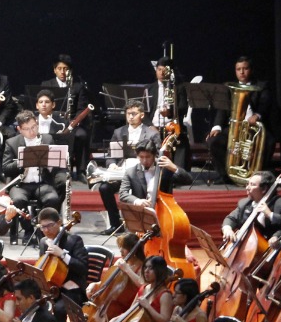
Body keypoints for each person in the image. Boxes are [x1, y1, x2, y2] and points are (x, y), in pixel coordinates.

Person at [92, 100, 161, 235]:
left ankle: (141, 225)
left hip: (142, 172)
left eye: (134, 114)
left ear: (142, 115)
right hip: (122, 171)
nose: (130, 117)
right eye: (128, 114)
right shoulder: (119, 132)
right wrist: (112, 164)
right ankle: (115, 223)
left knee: (137, 189)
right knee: (104, 188)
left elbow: (157, 156)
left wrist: (143, 160)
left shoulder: (152, 134)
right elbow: (111, 155)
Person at [207, 56, 275, 181]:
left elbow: (266, 103)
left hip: (255, 128)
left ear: (251, 70)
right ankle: (227, 175)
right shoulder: (229, 88)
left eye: (245, 68)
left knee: (269, 141)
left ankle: (259, 176)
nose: (242, 72)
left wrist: (257, 115)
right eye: (238, 69)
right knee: (213, 141)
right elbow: (222, 109)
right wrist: (216, 126)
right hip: (235, 127)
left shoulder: (262, 86)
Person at [2, 111, 64, 224]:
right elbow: (6, 168)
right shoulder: (12, 143)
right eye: (27, 129)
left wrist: (49, 164)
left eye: (34, 127)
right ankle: (27, 230)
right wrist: (21, 162)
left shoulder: (47, 139)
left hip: (42, 182)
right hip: (20, 185)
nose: (31, 131)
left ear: (37, 124)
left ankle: (45, 228)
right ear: (20, 130)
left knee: (53, 199)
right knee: (18, 200)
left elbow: (57, 166)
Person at [32, 207, 91, 318]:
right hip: (52, 289)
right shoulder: (43, 242)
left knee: (59, 309)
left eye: (49, 226)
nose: (46, 230)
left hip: (71, 289)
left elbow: (82, 268)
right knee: (33, 306)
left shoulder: (74, 240)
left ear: (59, 223)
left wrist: (63, 255)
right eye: (42, 227)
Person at [40, 54, 93, 174]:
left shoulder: (77, 87)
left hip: (72, 123)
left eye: (66, 69)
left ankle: (81, 171)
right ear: (54, 70)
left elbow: (81, 108)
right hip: (52, 121)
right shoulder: (47, 85)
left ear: (70, 70)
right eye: (59, 68)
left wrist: (73, 123)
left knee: (82, 136)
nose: (62, 72)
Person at [220, 170, 281, 241]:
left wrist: (270, 214)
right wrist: (227, 229)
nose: (247, 188)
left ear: (264, 189)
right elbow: (231, 218)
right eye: (248, 184)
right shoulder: (245, 203)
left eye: (252, 185)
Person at [148, 57, 189, 168]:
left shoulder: (179, 88)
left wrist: (170, 113)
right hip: (154, 126)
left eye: (164, 70)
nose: (161, 73)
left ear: (170, 72)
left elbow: (183, 108)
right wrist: (150, 126)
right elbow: (144, 111)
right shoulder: (150, 88)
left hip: (171, 126)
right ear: (156, 70)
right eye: (159, 69)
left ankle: (178, 171)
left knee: (181, 140)